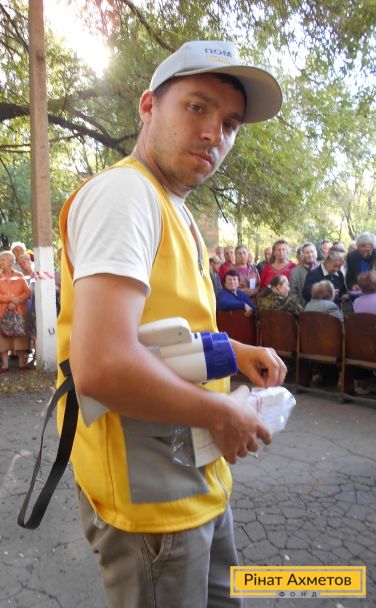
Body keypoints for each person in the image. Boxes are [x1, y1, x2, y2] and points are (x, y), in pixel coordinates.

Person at [56, 40, 285, 608]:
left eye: (230, 123)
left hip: (194, 484)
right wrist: (221, 413)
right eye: (197, 107)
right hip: (152, 506)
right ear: (148, 106)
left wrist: (232, 352)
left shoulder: (169, 204)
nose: (214, 134)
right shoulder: (125, 195)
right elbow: (102, 366)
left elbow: (164, 327)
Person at [0, 250, 31, 373]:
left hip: (19, 311)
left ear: (11, 261)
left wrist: (16, 301)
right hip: (2, 312)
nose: (0, 262)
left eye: (3, 260)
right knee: (3, 338)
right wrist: (9, 299)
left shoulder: (19, 275)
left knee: (20, 337)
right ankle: (5, 365)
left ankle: (22, 363)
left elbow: (27, 292)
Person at [289, 242, 318, 306]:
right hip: (303, 308)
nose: (310, 255)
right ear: (303, 255)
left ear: (316, 253)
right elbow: (292, 293)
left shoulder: (323, 268)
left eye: (312, 251)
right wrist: (301, 307)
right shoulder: (294, 272)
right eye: (307, 253)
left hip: (322, 308)